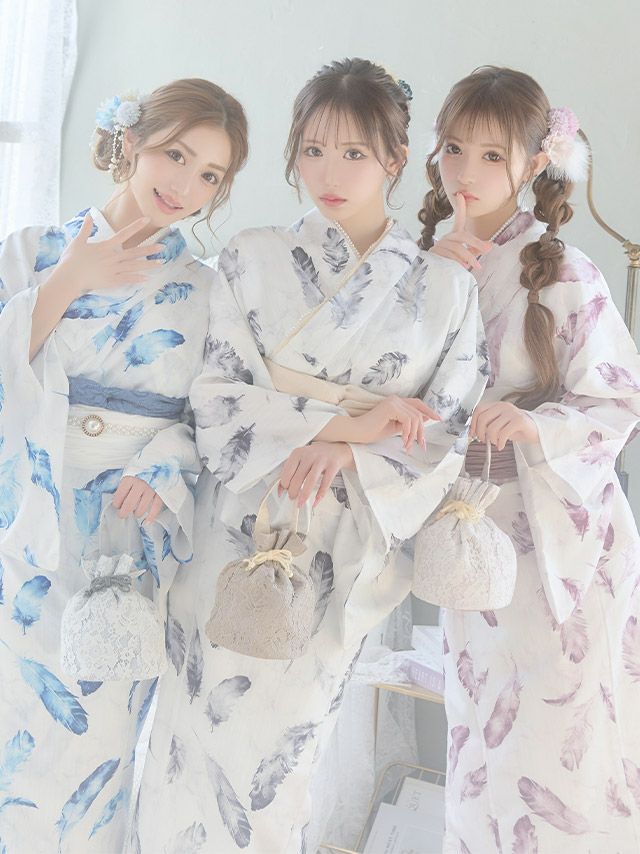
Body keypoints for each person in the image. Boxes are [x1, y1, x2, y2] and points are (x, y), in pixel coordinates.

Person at [134, 57, 487, 854]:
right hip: (237, 531)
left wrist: (349, 455)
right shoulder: (250, 256)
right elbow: (215, 396)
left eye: (354, 153)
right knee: (190, 740)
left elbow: (449, 425)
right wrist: (346, 429)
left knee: (284, 765)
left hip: (342, 547)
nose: (329, 173)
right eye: (313, 150)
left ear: (396, 159)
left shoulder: (445, 289)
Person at [0, 78, 248, 853]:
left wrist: (165, 466)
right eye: (175, 155)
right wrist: (70, 278)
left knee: (101, 731)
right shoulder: (32, 250)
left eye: (210, 174)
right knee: (16, 723)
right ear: (131, 142)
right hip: (28, 523)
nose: (186, 185)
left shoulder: (208, 290)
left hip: (130, 532)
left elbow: (215, 414)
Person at [421, 65, 640, 853]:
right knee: (480, 735)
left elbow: (618, 400)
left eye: (492, 155)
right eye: (453, 148)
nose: (466, 171)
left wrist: (532, 424)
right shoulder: (419, 266)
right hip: (466, 530)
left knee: (556, 742)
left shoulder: (565, 271)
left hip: (558, 538)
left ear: (534, 163)